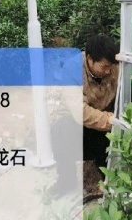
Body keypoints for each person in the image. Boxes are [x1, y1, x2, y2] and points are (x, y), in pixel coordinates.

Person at [51, 34, 119, 199]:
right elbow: (80, 112)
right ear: (89, 59)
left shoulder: (115, 65)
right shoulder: (72, 69)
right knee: (60, 131)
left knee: (108, 148)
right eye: (104, 66)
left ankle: (109, 182)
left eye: (111, 66)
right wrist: (112, 120)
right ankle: (66, 181)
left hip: (107, 120)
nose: (109, 71)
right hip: (83, 123)